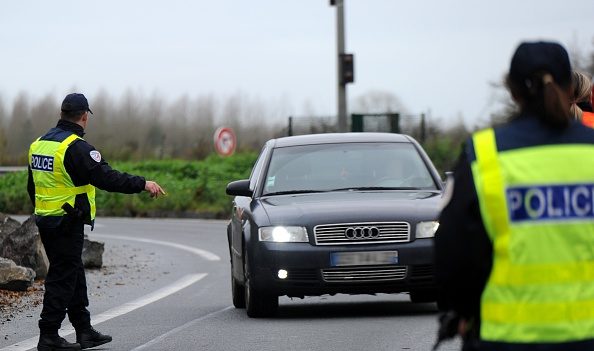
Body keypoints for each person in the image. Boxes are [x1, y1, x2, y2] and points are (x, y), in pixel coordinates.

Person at [435, 41, 594, 350]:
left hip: (505, 338)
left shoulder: (483, 154)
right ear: (569, 86)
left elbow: (453, 252)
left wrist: (463, 312)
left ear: (512, 90)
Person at [28, 93, 166, 351]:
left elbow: (32, 185)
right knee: (62, 276)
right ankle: (48, 335)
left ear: (61, 114)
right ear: (84, 117)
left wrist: (41, 212)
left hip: (47, 219)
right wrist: (143, 183)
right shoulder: (76, 148)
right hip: (67, 220)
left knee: (72, 271)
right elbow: (108, 178)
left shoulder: (39, 144)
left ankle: (84, 330)